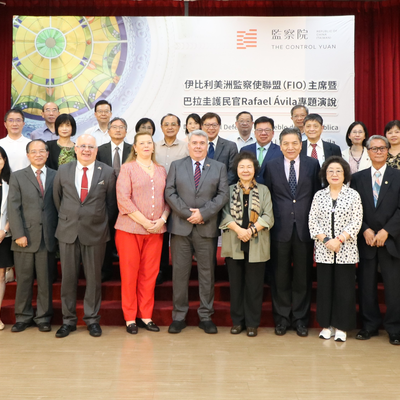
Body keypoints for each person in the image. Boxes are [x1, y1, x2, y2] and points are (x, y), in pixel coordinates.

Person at [165, 130, 229, 334]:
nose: (199, 146)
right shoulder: (176, 165)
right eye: (195, 143)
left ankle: (205, 316)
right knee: (180, 274)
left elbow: (222, 194)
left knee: (207, 274)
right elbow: (169, 192)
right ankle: (179, 316)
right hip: (181, 228)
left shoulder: (218, 167)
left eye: (203, 143)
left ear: (207, 145)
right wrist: (187, 214)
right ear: (189, 145)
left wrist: (203, 213)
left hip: (206, 226)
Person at [53, 134, 116, 338]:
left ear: (96, 150)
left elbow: (111, 204)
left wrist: (98, 222)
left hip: (96, 232)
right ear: (76, 149)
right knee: (68, 279)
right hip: (68, 231)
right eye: (82, 146)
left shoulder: (107, 171)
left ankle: (92, 319)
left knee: (94, 279)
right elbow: (57, 200)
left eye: (91, 146)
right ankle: (68, 320)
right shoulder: (63, 170)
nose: (86, 150)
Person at [264, 127, 321, 337]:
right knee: (279, 277)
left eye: (294, 143)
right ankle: (281, 319)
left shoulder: (312, 164)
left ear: (300, 144)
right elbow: (267, 197)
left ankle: (300, 319)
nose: (290, 147)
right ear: (280, 146)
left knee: (302, 277)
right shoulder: (271, 166)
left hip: (305, 230)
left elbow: (317, 195)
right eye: (286, 144)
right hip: (279, 229)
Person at [115, 131, 170, 334]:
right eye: (142, 143)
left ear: (153, 147)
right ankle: (130, 317)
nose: (146, 145)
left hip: (156, 230)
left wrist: (162, 220)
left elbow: (168, 199)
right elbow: (123, 199)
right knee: (130, 275)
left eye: (149, 142)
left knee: (150, 275)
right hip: (130, 230)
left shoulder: (161, 170)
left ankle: (145, 316)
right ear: (135, 147)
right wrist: (146, 222)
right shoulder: (127, 168)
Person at [351, 135, 400, 346]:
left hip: (391, 241)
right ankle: (369, 325)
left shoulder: (398, 176)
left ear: (388, 151)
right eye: (374, 149)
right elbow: (354, 208)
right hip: (367, 240)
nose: (378, 152)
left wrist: (387, 231)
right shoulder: (358, 178)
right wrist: (365, 230)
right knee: (366, 286)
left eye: (382, 148)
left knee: (394, 288)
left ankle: (395, 329)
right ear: (368, 152)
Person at [220, 152, 274, 337]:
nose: (245, 170)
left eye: (249, 167)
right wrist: (239, 230)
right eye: (242, 167)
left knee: (254, 286)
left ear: (254, 169)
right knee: (236, 286)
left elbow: (268, 216)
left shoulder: (264, 190)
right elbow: (224, 214)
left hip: (256, 242)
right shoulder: (227, 190)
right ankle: (237, 322)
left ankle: (252, 323)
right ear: (236, 169)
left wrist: (250, 231)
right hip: (235, 241)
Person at [309, 156, 363, 342]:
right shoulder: (319, 195)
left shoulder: (353, 195)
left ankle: (342, 327)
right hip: (324, 250)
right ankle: (327, 325)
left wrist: (339, 239)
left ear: (345, 174)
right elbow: (312, 221)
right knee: (325, 289)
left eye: (338, 171)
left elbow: (356, 221)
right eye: (330, 171)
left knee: (344, 289)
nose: (334, 174)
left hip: (345, 250)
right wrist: (326, 240)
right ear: (325, 174)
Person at [8, 139, 58, 333]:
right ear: (28, 155)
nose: (38, 154)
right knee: (24, 281)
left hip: (48, 237)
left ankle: (44, 317)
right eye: (34, 151)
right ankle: (22, 317)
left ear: (47, 154)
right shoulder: (18, 176)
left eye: (42, 151)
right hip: (24, 238)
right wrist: (18, 234)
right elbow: (13, 207)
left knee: (45, 281)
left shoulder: (56, 175)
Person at [155, 113, 189, 284]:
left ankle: (178, 271)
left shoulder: (186, 147)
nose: (170, 127)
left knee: (176, 235)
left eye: (173, 124)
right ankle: (160, 269)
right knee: (160, 237)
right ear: (161, 127)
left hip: (178, 198)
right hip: (157, 198)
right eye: (166, 124)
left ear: (178, 127)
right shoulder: (153, 146)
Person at [97, 117, 132, 282]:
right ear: (109, 131)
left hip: (129, 200)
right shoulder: (99, 150)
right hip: (105, 199)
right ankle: (105, 269)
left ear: (126, 131)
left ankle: (127, 272)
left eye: (121, 127)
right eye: (115, 127)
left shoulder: (134, 150)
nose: (118, 130)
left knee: (126, 238)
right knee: (106, 234)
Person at [241, 116, 282, 184]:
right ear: (255, 133)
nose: (263, 133)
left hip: (272, 192)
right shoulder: (245, 150)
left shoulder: (280, 151)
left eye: (267, 130)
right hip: (249, 191)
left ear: (273, 133)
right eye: (260, 130)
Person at [201, 112, 238, 185]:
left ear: (219, 126)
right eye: (207, 125)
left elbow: (232, 172)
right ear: (202, 127)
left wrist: (221, 188)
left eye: (214, 125)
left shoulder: (230, 146)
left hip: (223, 190)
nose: (211, 128)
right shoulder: (197, 147)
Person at [0, 147, 12, 330]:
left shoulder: (11, 182)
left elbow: (14, 209)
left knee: (0, 275)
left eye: (0, 158)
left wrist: (4, 230)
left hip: (3, 235)